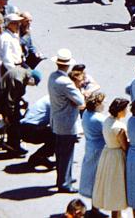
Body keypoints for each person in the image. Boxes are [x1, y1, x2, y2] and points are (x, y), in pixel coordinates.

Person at [48, 48, 86, 193]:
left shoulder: (53, 77)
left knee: (61, 154)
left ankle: (64, 178)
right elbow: (80, 100)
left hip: (57, 120)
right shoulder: (66, 82)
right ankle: (64, 183)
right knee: (66, 154)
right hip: (67, 123)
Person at [92, 97, 130, 217]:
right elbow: (125, 146)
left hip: (108, 153)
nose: (127, 111)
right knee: (117, 187)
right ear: (120, 110)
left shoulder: (107, 121)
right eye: (126, 109)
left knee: (110, 185)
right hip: (117, 157)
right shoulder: (119, 127)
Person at [0, 66, 41, 155]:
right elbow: (10, 99)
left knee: (17, 117)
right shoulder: (18, 80)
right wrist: (7, 115)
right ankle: (14, 146)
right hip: (0, 100)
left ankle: (12, 142)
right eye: (33, 84)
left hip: (4, 96)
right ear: (32, 79)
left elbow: (15, 93)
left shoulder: (23, 73)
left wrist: (22, 101)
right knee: (15, 121)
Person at [20, 95, 55, 168]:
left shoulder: (47, 98)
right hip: (30, 129)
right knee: (57, 136)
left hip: (23, 127)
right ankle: (38, 157)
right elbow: (54, 123)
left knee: (53, 134)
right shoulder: (53, 101)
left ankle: (41, 157)